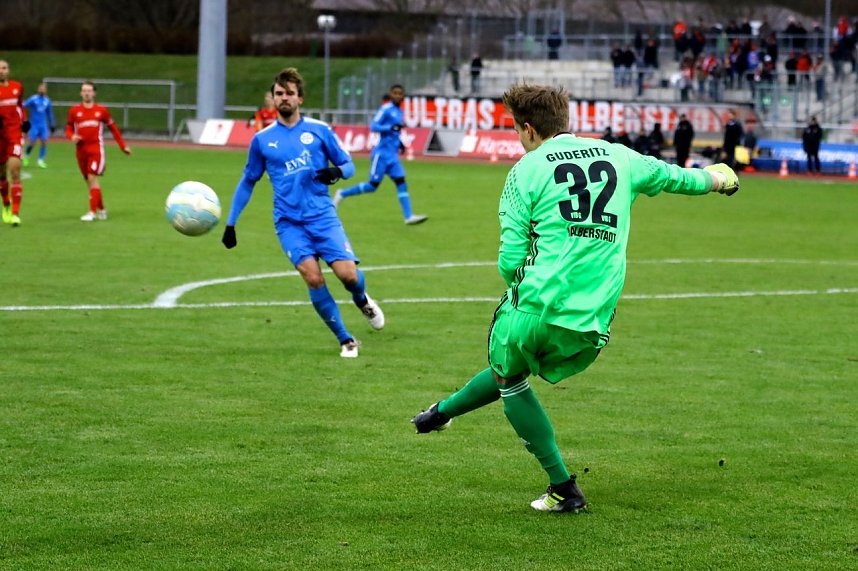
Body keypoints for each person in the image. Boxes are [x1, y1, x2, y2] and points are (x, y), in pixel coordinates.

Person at [411, 83, 739, 513]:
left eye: (516, 130)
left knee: (511, 374)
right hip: (593, 316)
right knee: (510, 368)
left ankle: (563, 487)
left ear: (529, 129)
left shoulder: (526, 170)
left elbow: (510, 259)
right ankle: (440, 412)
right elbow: (674, 177)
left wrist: (521, 284)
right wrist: (718, 178)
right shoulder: (620, 156)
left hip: (537, 304)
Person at [221, 67, 384, 359]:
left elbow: (348, 166)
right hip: (289, 223)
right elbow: (248, 181)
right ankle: (346, 339)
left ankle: (362, 300)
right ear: (273, 98)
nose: (284, 98)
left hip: (323, 217)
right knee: (313, 278)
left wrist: (336, 171)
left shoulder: (319, 130)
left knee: (348, 276)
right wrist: (231, 223)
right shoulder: (262, 140)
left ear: (300, 98)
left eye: (290, 93)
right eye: (279, 93)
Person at [333, 84, 427, 225]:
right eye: (395, 93)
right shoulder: (386, 109)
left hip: (393, 156)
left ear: (403, 95)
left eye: (400, 93)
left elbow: (395, 131)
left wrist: (400, 143)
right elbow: (374, 126)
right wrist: (390, 127)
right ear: (391, 94)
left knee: (401, 182)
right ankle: (342, 194)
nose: (397, 95)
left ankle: (408, 216)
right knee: (372, 186)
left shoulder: (399, 111)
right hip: (381, 155)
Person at [66, 81, 132, 221]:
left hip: (96, 150)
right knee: (89, 181)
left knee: (92, 178)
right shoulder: (74, 111)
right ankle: (102, 209)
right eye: (84, 90)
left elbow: (113, 128)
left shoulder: (101, 111)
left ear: (94, 93)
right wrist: (71, 136)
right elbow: (69, 127)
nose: (87, 93)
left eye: (89, 90)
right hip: (81, 151)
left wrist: (123, 146)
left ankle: (92, 212)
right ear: (81, 93)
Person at [0, 59, 28, 226]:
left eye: (4, 68)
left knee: (15, 172)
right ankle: (6, 203)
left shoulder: (17, 87)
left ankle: (16, 213)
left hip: (14, 134)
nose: (1, 71)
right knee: (2, 175)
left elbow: (20, 105)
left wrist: (25, 120)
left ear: (8, 70)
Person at [22, 83, 55, 168]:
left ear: (46, 90)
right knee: (32, 142)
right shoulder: (33, 99)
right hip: (34, 124)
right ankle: (26, 155)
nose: (42, 90)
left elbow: (50, 113)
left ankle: (40, 160)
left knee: (44, 142)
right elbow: (23, 106)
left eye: (43, 89)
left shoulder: (47, 101)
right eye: (40, 88)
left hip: (43, 125)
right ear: (38, 89)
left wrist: (52, 124)